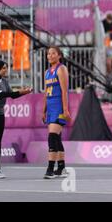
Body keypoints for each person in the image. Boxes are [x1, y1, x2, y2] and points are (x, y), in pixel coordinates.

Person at [0, 61, 32, 179]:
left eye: (6, 68)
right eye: (3, 68)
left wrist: (24, 92)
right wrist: (20, 91)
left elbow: (11, 95)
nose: (6, 70)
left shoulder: (5, 81)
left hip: (0, 114)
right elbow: (0, 95)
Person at [42, 46, 71, 179]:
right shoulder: (47, 72)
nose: (50, 55)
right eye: (48, 53)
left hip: (59, 106)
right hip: (50, 107)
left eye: (53, 53)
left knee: (52, 136)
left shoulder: (61, 69)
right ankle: (61, 167)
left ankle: (50, 169)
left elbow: (64, 91)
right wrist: (44, 110)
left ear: (59, 55)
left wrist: (65, 109)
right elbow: (45, 93)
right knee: (57, 138)